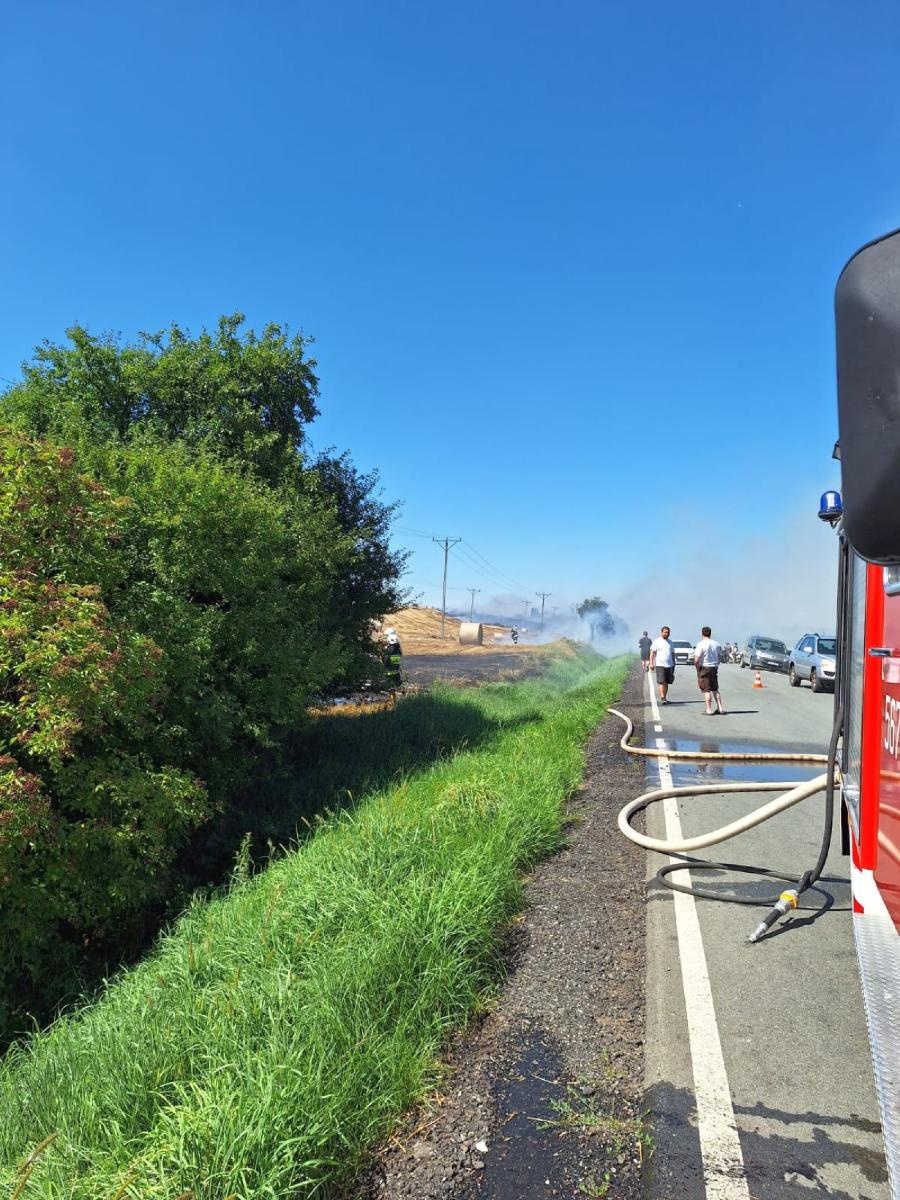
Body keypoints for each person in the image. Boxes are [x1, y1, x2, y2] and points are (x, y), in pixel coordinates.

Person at [693, 625, 725, 715]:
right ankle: (720, 708)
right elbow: (719, 657)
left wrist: (697, 668)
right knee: (715, 689)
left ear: (702, 634)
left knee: (706, 690)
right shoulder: (717, 644)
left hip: (704, 667)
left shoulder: (701, 644)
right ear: (710, 633)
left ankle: (709, 709)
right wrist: (716, 665)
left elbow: (696, 659)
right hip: (714, 668)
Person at [649, 625, 675, 704]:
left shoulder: (670, 642)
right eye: (665, 632)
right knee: (662, 681)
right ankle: (662, 697)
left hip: (670, 665)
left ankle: (665, 698)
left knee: (666, 682)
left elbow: (673, 653)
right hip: (660, 664)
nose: (667, 634)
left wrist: (674, 662)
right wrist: (651, 663)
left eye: (668, 632)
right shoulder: (657, 641)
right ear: (661, 632)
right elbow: (652, 653)